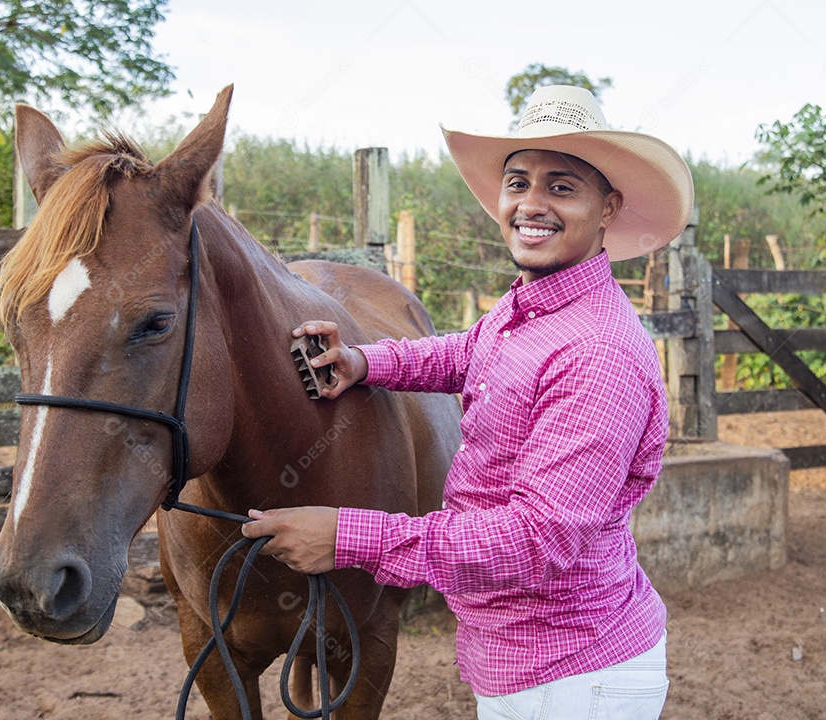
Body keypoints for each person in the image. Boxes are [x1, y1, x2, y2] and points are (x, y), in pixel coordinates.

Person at [241, 85, 694, 719]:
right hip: (531, 663)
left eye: (561, 187)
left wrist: (348, 538)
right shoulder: (535, 304)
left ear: (608, 207)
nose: (531, 205)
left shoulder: (599, 356)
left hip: (573, 678)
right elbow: (467, 352)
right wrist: (365, 362)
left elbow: (533, 542)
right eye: (518, 182)